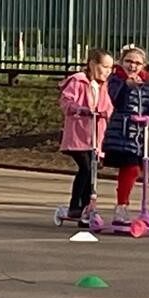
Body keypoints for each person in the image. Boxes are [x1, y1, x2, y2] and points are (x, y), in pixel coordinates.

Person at [101, 45, 149, 223]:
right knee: (126, 167)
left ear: (144, 66)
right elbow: (111, 100)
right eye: (129, 61)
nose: (133, 66)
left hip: (138, 135)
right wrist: (125, 86)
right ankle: (117, 206)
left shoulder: (147, 85)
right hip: (117, 132)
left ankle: (124, 206)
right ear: (121, 62)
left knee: (135, 169)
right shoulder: (114, 80)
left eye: (137, 63)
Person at [58, 48, 114, 226]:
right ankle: (76, 205)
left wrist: (106, 113)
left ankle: (86, 207)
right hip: (78, 135)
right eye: (104, 66)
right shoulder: (78, 81)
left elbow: (108, 106)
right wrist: (79, 109)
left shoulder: (103, 86)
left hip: (95, 137)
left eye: (110, 68)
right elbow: (66, 102)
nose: (107, 71)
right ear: (92, 64)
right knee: (86, 168)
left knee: (93, 171)